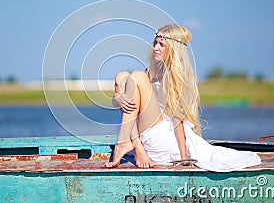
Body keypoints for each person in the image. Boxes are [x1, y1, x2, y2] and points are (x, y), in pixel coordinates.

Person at [106, 24, 261, 172]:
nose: (156, 48)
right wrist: (117, 99)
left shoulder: (177, 76)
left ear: (173, 49)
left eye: (161, 44)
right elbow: (121, 103)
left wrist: (183, 155)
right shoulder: (151, 71)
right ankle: (131, 144)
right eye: (155, 43)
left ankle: (127, 143)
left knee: (136, 76)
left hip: (164, 139)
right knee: (122, 77)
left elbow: (177, 118)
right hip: (146, 131)